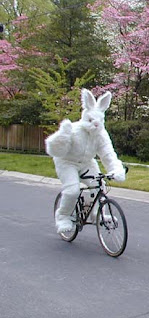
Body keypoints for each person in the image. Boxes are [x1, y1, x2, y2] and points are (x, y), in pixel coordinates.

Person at [45, 89, 126, 233]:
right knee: (72, 191)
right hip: (67, 162)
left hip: (87, 162)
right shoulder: (75, 130)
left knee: (99, 186)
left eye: (99, 121)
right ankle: (63, 216)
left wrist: (116, 169)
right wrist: (63, 136)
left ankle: (96, 214)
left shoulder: (101, 134)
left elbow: (108, 154)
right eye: (90, 120)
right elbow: (55, 150)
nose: (95, 125)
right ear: (85, 117)